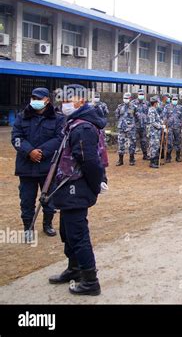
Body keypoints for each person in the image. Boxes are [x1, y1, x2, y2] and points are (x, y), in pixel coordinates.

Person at [47, 84, 105, 296]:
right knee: (67, 232)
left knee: (78, 234)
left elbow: (91, 163)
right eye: (62, 101)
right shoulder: (72, 123)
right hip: (66, 186)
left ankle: (90, 281)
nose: (64, 105)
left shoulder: (83, 128)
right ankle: (74, 269)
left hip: (76, 188)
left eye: (67, 100)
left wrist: (94, 186)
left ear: (80, 101)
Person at [11, 88, 64, 240]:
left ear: (47, 100)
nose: (35, 100)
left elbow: (59, 139)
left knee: (48, 199)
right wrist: (29, 151)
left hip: (48, 166)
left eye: (39, 98)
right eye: (33, 97)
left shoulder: (58, 118)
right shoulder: (22, 117)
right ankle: (28, 227)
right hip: (26, 166)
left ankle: (47, 224)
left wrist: (40, 152)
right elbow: (16, 138)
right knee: (26, 200)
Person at [115, 92, 138, 166]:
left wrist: (132, 124)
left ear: (130, 98)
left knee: (132, 143)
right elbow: (117, 116)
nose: (125, 99)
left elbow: (137, 117)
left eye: (127, 98)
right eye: (124, 98)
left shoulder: (134, 107)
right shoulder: (120, 106)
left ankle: (131, 159)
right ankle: (120, 160)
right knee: (121, 143)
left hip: (131, 128)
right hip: (122, 127)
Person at [162, 95, 182, 163]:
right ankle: (168, 157)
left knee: (178, 142)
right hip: (169, 127)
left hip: (177, 127)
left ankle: (178, 156)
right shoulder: (167, 107)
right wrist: (164, 125)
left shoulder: (180, 107)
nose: (175, 101)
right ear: (171, 100)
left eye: (176, 99)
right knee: (169, 142)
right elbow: (164, 116)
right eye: (173, 99)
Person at [132, 89, 150, 160]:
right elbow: (130, 113)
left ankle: (145, 155)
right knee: (133, 141)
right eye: (140, 94)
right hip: (135, 125)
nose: (141, 95)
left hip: (144, 125)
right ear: (137, 94)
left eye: (142, 94)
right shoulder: (133, 103)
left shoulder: (147, 103)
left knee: (144, 141)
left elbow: (149, 113)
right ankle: (132, 157)